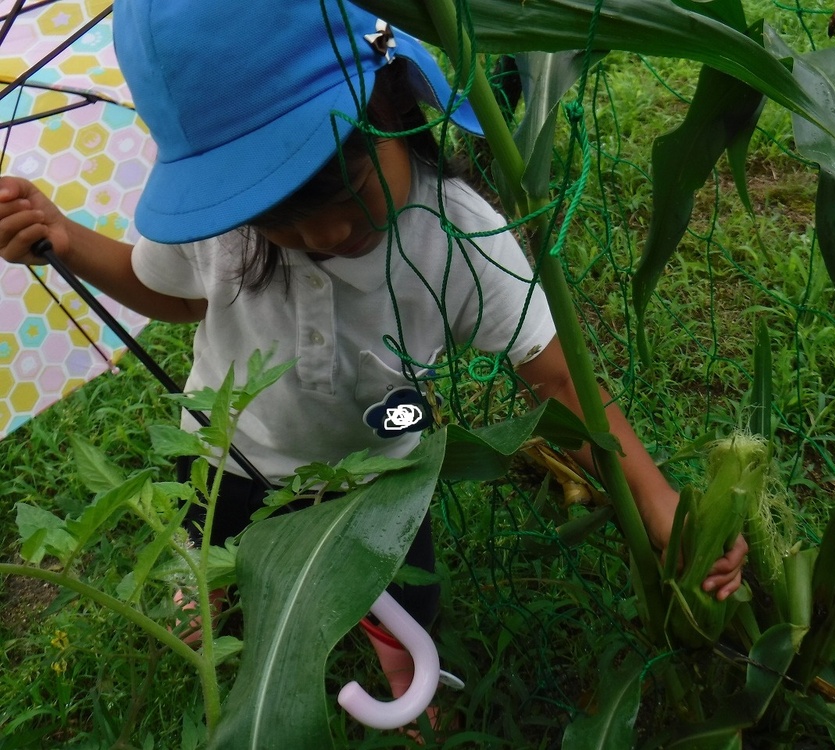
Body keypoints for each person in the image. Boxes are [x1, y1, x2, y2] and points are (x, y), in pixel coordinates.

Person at [0, 0, 747, 728]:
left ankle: (405, 666)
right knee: (212, 537)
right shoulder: (220, 226)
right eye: (277, 214)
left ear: (396, 99)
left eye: (347, 186)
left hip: (377, 471)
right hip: (227, 448)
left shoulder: (458, 231)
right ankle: (211, 587)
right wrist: (67, 240)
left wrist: (654, 496)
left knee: (400, 579)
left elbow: (552, 376)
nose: (322, 230)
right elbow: (175, 297)